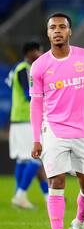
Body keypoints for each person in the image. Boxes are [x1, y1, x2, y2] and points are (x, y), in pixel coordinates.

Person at [30, 12, 84, 229]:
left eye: (62, 27)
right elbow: (36, 103)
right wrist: (36, 139)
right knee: (56, 180)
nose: (57, 31)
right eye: (53, 27)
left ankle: (79, 224)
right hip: (53, 129)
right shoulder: (39, 65)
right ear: (48, 32)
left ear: (69, 31)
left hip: (82, 130)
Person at [8, 42, 48, 209]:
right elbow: (30, 94)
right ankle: (20, 195)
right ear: (31, 52)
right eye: (39, 51)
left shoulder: (17, 69)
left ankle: (20, 194)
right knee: (36, 158)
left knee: (23, 160)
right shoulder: (25, 69)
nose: (41, 54)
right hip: (26, 119)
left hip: (18, 119)